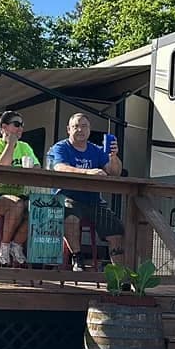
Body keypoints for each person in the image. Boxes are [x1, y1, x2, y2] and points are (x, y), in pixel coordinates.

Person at [46, 112, 124, 268]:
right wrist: (88, 171)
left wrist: (114, 156)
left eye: (84, 126)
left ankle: (120, 275)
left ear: (89, 129)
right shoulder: (60, 147)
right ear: (68, 129)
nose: (80, 130)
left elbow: (114, 172)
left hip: (94, 201)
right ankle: (77, 257)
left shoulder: (96, 150)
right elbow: (60, 167)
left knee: (116, 229)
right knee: (70, 218)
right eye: (76, 126)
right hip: (68, 197)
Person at [0, 110, 38, 266]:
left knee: (38, 208)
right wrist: (10, 144)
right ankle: (4, 247)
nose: (20, 128)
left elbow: (37, 167)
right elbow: (0, 167)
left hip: (18, 193)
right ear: (3, 127)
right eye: (16, 124)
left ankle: (16, 244)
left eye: (22, 125)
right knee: (16, 204)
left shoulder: (25, 146)